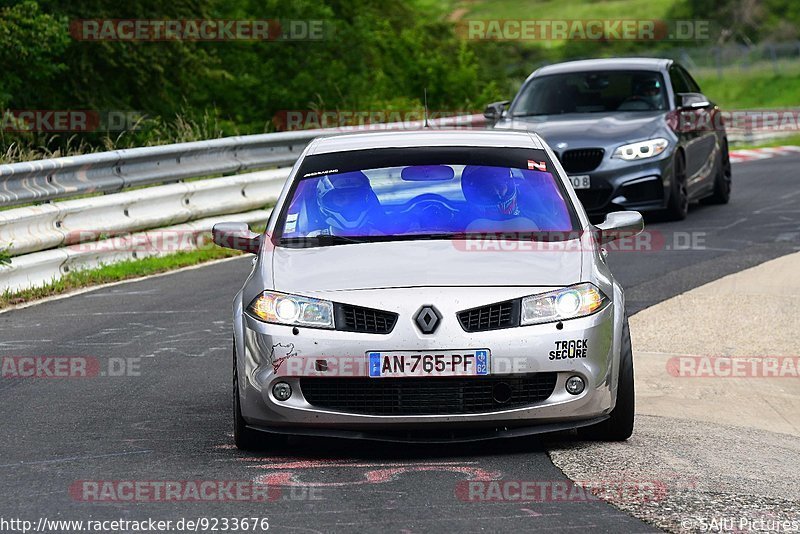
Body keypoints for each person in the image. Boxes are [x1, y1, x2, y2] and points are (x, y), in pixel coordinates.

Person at [312, 171, 386, 236]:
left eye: (354, 197)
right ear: (327, 202)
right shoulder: (314, 239)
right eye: (340, 198)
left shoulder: (380, 237)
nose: (348, 204)